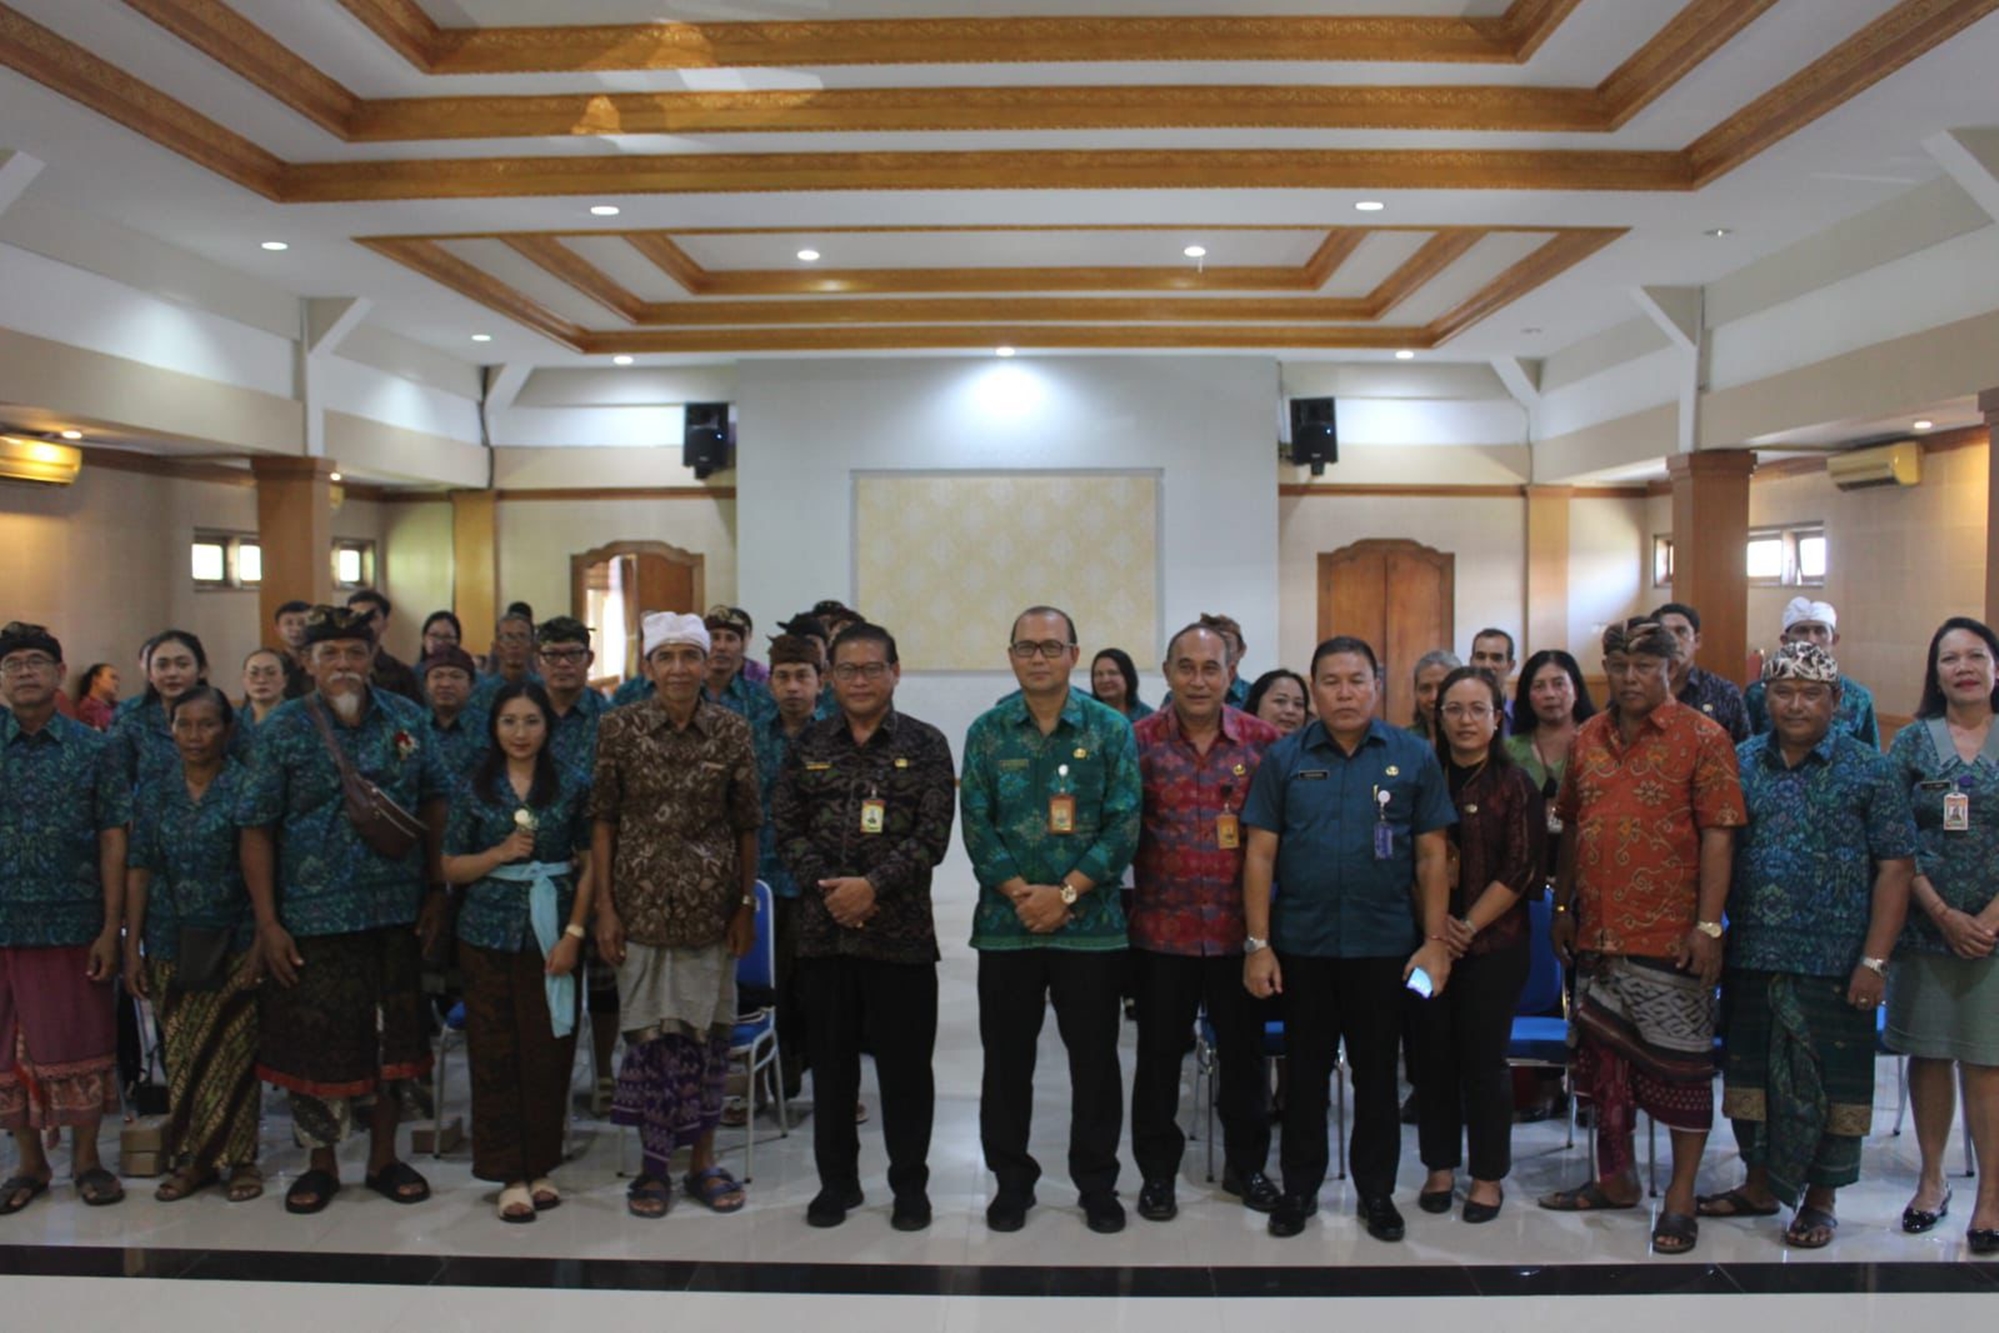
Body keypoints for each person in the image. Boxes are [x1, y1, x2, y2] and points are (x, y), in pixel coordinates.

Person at [1539, 616, 1745, 1256]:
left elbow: (1720, 835)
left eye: (1645, 667)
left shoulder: (1704, 737)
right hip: (1597, 934)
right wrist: (1563, 905)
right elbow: (1573, 825)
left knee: (1682, 1075)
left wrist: (1708, 925)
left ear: (1670, 669)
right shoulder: (1588, 737)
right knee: (1604, 1070)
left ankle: (1679, 1196)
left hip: (1671, 936)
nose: (1631, 678)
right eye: (1620, 667)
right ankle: (1616, 1179)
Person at [1698, 641, 1914, 1248]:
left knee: (1831, 1083)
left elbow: (1896, 868)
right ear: (1764, 698)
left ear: (1836, 701)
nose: (1796, 705)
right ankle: (1759, 1185)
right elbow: (1718, 850)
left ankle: (1820, 1200)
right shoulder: (1740, 762)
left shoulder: (1870, 768)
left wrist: (1875, 960)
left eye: (1811, 693)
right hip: (1753, 954)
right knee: (1751, 1078)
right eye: (1783, 692)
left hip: (1838, 961)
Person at [1241, 635, 1455, 1242]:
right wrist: (1258, 945)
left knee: (1378, 1077)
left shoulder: (1412, 756)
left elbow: (1432, 856)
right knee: (1305, 1077)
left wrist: (1435, 940)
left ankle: (1377, 1193)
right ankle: (1299, 1189)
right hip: (1302, 945)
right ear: (1313, 690)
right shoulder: (1284, 758)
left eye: (1356, 680)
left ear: (1376, 687)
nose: (1344, 693)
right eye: (1331, 682)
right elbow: (1259, 855)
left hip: (1384, 945)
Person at [239, 604, 452, 1215]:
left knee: (393, 1044)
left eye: (354, 653)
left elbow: (436, 801)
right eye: (328, 654)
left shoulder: (406, 718)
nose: (343, 664)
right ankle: (321, 1165)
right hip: (312, 919)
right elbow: (255, 827)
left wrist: (436, 890)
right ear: (307, 664)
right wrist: (268, 923)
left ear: (372, 659)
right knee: (317, 1046)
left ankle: (384, 1158)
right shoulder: (283, 728)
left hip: (395, 913)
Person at [961, 605, 1140, 1234]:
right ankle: (1011, 1182)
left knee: (1095, 1063)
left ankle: (1097, 1182)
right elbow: (975, 824)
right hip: (1006, 926)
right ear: (1011, 655)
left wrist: (1063, 896)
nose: (1038, 658)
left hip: (1091, 931)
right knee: (1006, 1063)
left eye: (1051, 647)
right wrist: (1022, 894)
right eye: (1026, 647)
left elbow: (1124, 824)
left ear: (1073, 655)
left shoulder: (1110, 730)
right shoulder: (987, 732)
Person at [773, 622, 956, 1230]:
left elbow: (931, 838)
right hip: (824, 936)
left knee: (907, 1072)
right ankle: (838, 1184)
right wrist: (834, 892)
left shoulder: (926, 744)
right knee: (832, 1071)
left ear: (895, 673)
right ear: (830, 677)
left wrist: (871, 887)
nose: (859, 680)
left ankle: (910, 1186)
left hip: (900, 937)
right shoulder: (808, 744)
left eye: (872, 668)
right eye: (847, 669)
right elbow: (787, 828)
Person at [591, 612, 761, 1220]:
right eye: (667, 657)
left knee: (706, 1043)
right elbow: (603, 820)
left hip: (710, 916)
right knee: (650, 1048)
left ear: (708, 663)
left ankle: (703, 1164)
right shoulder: (619, 728)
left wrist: (745, 904)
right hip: (638, 913)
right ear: (649, 667)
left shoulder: (732, 730)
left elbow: (747, 823)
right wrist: (606, 909)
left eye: (691, 656)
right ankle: (653, 1168)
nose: (680, 669)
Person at [1128, 624, 1282, 1222]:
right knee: (1158, 1062)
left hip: (1239, 936)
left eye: (1210, 668)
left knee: (1245, 1062)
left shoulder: (1263, 743)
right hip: (1159, 933)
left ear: (1231, 674)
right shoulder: (1137, 742)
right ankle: (1157, 1175)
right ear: (1167, 672)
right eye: (1186, 667)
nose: (1198, 680)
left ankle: (1248, 1169)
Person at [442, 681, 595, 1224]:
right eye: (509, 721)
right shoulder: (473, 787)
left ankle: (542, 1164)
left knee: (548, 1050)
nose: (521, 732)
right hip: (486, 934)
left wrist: (574, 934)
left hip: (552, 933)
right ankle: (508, 1172)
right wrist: (499, 854)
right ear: (494, 727)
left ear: (547, 728)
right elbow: (450, 865)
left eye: (531, 721)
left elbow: (590, 864)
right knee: (495, 1051)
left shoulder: (572, 783)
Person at [0, 622, 131, 1214]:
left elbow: (113, 837)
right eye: (13, 664)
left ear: (58, 673)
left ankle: (88, 1161)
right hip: (3, 925)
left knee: (81, 1040)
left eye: (36, 661)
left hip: (73, 923)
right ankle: (29, 1164)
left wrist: (111, 926)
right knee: (4, 1050)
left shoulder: (95, 748)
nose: (24, 671)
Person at [121, 684, 263, 1204]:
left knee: (235, 1053)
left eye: (207, 724)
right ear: (171, 730)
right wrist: (131, 947)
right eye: (185, 724)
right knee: (181, 1055)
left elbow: (263, 869)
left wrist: (261, 941)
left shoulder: (247, 785)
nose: (196, 735)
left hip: (236, 937)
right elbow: (139, 868)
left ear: (227, 729)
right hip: (168, 939)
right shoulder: (155, 790)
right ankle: (192, 1160)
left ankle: (242, 1159)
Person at [1884, 616, 1999, 1253]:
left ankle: (1991, 1198)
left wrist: (1987, 920)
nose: (1964, 668)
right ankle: (1932, 1182)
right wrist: (1943, 913)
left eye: (1975, 656)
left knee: (1987, 1062)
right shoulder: (1912, 743)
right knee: (1929, 1055)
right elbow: (1894, 837)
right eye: (1950, 658)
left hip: (1994, 937)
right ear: (1935, 672)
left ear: (1995, 668)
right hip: (1927, 929)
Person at [1413, 666, 1544, 1224]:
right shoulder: (1422, 780)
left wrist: (1463, 927)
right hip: (1424, 946)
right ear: (1438, 718)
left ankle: (1487, 1176)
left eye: (1477, 710)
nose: (1465, 721)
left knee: (1484, 1062)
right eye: (1454, 710)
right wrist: (1437, 930)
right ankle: (1439, 1167)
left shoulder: (1516, 785)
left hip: (1496, 948)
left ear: (1496, 719)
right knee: (1430, 1058)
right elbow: (1408, 860)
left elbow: (1521, 868)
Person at [751, 633, 826, 1108]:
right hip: (765, 880)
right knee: (767, 986)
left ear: (821, 681)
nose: (793, 687)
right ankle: (766, 1084)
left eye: (802, 676)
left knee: (819, 989)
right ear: (770, 683)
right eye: (783, 677)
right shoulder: (752, 735)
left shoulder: (837, 734)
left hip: (820, 882)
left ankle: (832, 1088)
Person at [1506, 649, 1596, 875]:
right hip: (1525, 866)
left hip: (1588, 861)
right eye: (1539, 687)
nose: (1550, 694)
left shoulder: (1599, 744)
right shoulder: (1509, 751)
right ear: (1527, 695)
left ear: (1576, 690)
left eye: (1558, 684)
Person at [1745, 598, 1880, 748]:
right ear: (1785, 640)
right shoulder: (1757, 694)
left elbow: (1871, 754)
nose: (1811, 640)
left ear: (1834, 640)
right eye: (1802, 631)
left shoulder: (1859, 698)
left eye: (1820, 631)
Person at [1655, 601, 1751, 743]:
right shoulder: (1640, 690)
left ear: (1697, 641)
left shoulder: (1724, 692)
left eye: (1681, 632)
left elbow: (1744, 748)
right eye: (1664, 633)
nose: (1673, 640)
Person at [535, 617, 609, 786]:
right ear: (538, 661)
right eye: (552, 655)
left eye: (574, 654)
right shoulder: (524, 716)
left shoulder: (609, 718)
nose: (563, 663)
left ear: (589, 659)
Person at [419, 645, 485, 794]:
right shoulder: (411, 725)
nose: (446, 684)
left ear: (471, 684)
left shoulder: (490, 728)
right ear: (426, 684)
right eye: (437, 676)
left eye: (456, 676)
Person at [700, 605, 777, 726]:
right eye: (714, 637)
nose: (721, 646)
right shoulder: (687, 691)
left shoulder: (759, 697)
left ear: (742, 645)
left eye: (730, 639)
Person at [347, 590, 424, 705]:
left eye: (371, 618)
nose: (364, 623)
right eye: (357, 617)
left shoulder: (401, 674)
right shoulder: (337, 667)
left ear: (385, 623)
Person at [1406, 649, 1460, 743]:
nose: (1433, 697)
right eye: (1425, 689)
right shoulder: (1403, 741)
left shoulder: (1475, 740)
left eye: (1442, 688)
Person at [1091, 647, 1153, 723]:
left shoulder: (1148, 719)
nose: (1105, 680)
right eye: (1099, 674)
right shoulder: (1085, 716)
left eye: (1112, 673)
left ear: (1128, 677)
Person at [1244, 668, 1310, 735]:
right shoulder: (1238, 741)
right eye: (1280, 701)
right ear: (1256, 705)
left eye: (1298, 704)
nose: (1290, 710)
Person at [239, 648, 287, 735]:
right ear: (244, 679)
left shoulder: (300, 719)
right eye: (254, 673)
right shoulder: (232, 721)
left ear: (285, 680)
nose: (261, 680)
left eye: (271, 673)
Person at [273, 599, 313, 700]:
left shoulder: (322, 664)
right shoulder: (272, 664)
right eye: (289, 623)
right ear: (277, 630)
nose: (296, 629)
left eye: (302, 623)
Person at [75, 664, 119, 731]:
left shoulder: (118, 706)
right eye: (112, 677)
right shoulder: (88, 709)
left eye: (118, 680)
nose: (117, 683)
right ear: (96, 679)